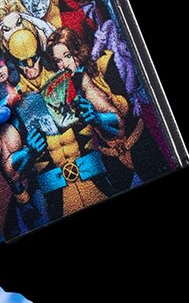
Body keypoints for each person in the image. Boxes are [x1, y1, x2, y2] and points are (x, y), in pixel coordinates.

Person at [48, 27, 170, 190]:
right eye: (58, 60)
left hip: (141, 147)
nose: (64, 65)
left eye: (67, 56)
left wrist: (99, 118)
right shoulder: (68, 88)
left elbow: (120, 121)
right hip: (113, 160)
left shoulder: (104, 65)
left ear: (77, 52)